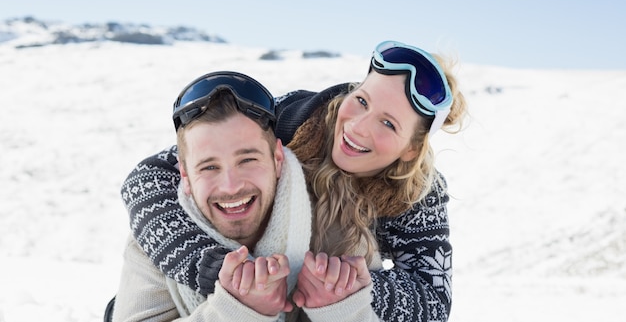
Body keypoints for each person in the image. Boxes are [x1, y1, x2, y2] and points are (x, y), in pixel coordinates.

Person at [120, 41, 467, 321]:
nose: (359, 126)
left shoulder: (418, 193)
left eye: (388, 123)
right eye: (361, 100)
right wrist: (217, 269)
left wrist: (350, 286)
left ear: (412, 149)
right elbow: (148, 179)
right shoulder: (296, 118)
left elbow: (433, 302)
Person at [112, 71, 378, 322]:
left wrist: (346, 313)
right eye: (209, 167)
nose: (230, 186)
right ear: (185, 175)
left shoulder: (339, 224)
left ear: (276, 159)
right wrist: (236, 312)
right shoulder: (158, 240)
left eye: (247, 160)